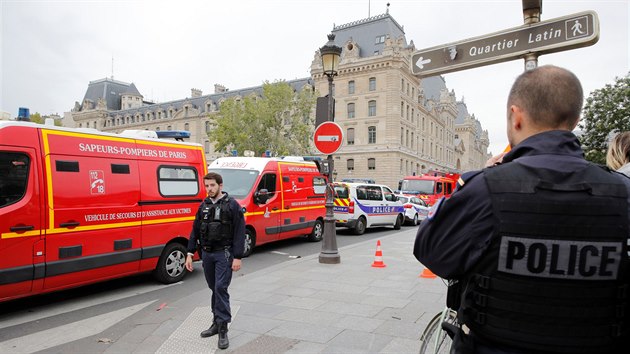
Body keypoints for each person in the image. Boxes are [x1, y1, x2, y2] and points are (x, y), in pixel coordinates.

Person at [413, 65, 630, 354]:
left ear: (516, 117)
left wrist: (478, 181)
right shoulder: (622, 193)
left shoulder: (487, 189)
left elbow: (431, 251)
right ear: (575, 120)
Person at [185, 172, 245, 350]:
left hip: (224, 254)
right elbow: (195, 230)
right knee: (214, 288)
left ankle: (223, 328)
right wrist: (189, 253)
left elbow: (240, 232)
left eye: (212, 185)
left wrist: (238, 257)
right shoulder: (202, 206)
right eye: (207, 186)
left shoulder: (232, 205)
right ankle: (216, 322)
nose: (209, 189)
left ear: (220, 185)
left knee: (220, 288)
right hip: (207, 255)